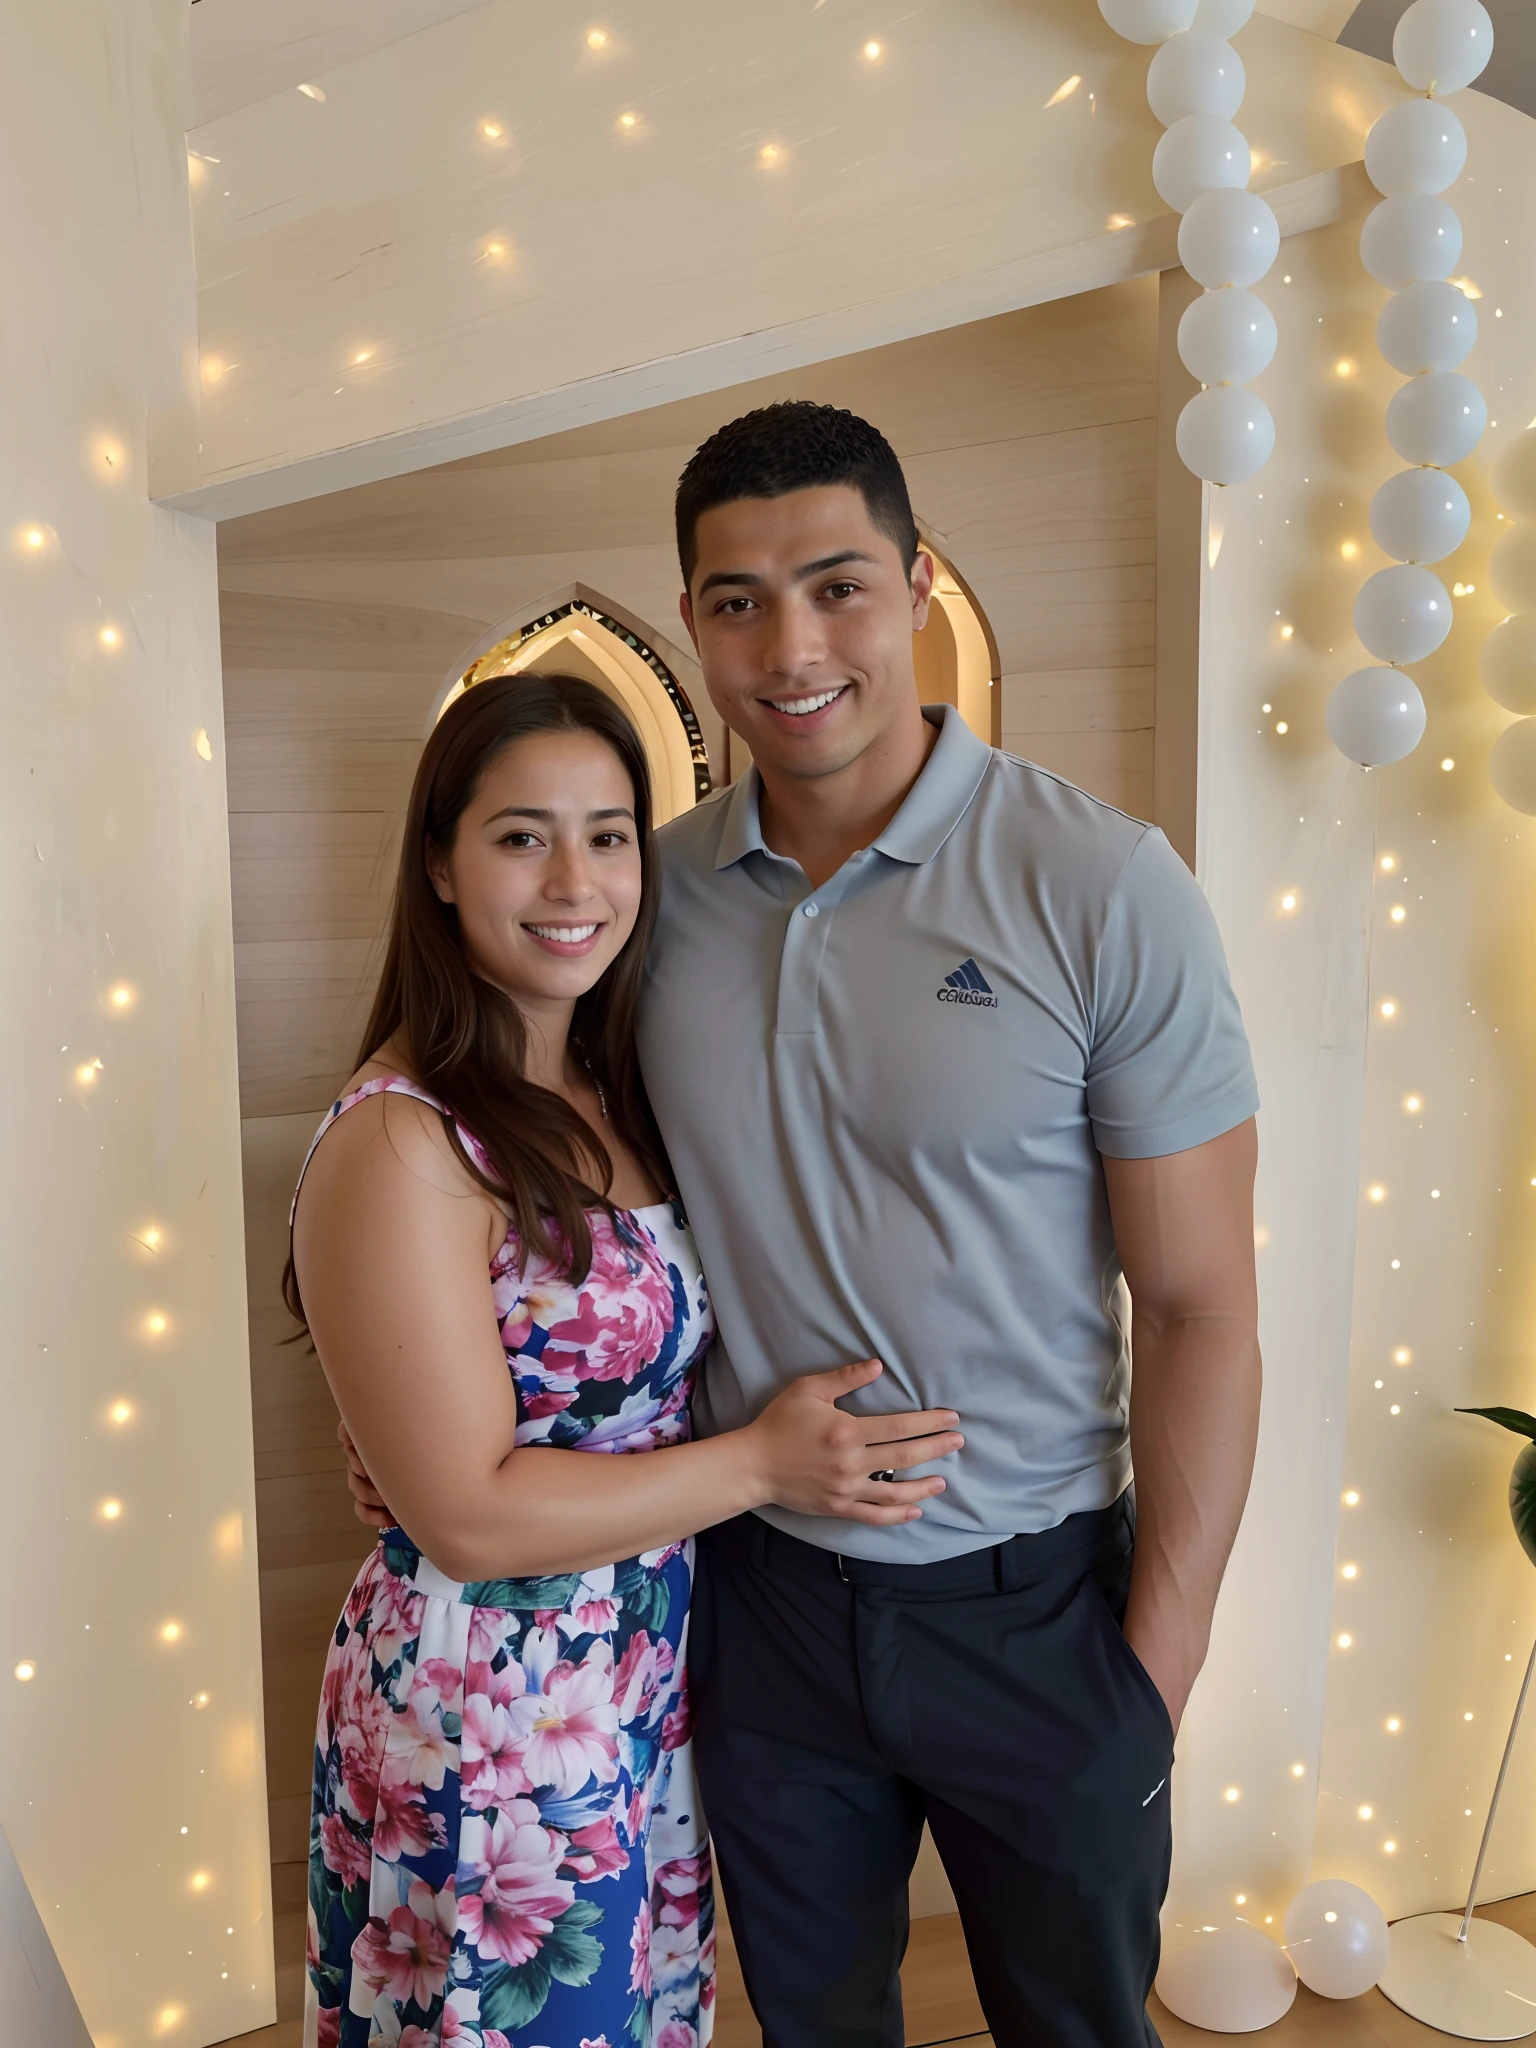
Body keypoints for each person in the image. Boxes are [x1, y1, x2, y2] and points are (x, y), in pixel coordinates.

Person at [345, 403, 1263, 2047]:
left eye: (837, 585)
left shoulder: (1103, 882)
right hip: (752, 1613)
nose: (792, 647)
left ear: (916, 584)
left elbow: (1201, 1305)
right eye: (737, 601)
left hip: (1035, 1614)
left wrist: (1153, 1676)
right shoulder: (646, 898)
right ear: (690, 619)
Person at [290, 672, 965, 2048]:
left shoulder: (611, 1087)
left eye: (608, 835)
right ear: (438, 861)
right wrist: (767, 1463)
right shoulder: (402, 1142)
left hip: (632, 1683)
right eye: (520, 834)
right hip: (489, 1710)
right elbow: (468, 1516)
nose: (574, 879)